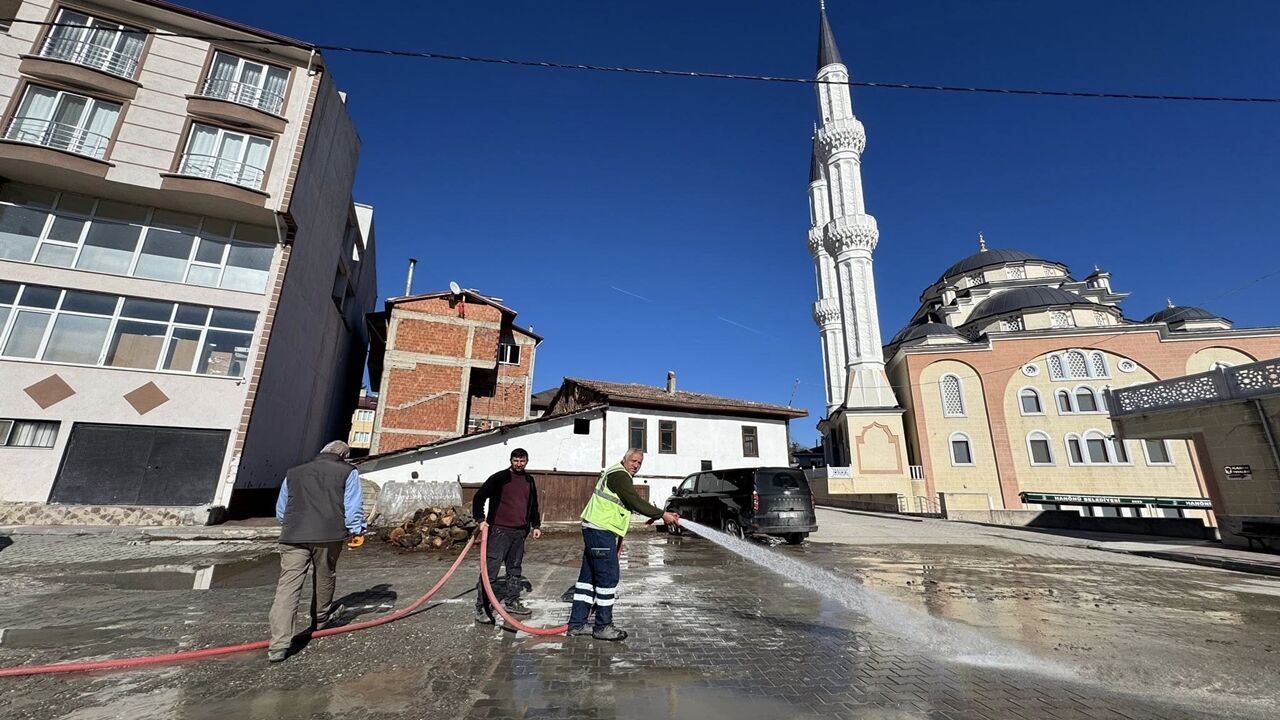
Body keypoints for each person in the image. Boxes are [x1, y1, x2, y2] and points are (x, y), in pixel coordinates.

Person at [267, 440, 365, 662]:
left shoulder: (294, 472)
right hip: (328, 535)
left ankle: (279, 645)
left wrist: (293, 525)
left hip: (293, 536)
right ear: (344, 455)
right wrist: (356, 529)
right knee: (325, 575)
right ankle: (320, 618)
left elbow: (281, 510)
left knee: (288, 586)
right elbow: (352, 505)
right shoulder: (347, 471)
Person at [566, 449, 677, 641]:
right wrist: (662, 515)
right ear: (624, 459)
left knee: (588, 578)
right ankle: (603, 626)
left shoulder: (615, 473)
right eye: (633, 461)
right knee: (608, 577)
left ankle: (577, 624)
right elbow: (634, 501)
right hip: (600, 531)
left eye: (639, 462)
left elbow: (624, 504)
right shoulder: (620, 475)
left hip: (597, 529)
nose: (636, 465)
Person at [472, 448, 542, 624]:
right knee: (491, 571)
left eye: (522, 461)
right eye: (516, 460)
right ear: (511, 460)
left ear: (527, 461)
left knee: (514, 569)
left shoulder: (529, 480)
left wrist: (536, 525)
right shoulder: (500, 478)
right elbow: (479, 497)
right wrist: (480, 519)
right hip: (499, 531)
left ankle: (511, 601)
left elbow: (533, 504)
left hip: (519, 532)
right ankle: (482, 607)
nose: (519, 464)